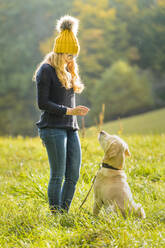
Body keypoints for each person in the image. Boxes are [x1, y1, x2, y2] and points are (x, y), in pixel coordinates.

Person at [33, 15, 89, 214]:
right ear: (58, 52)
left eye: (73, 56)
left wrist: (74, 112)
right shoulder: (45, 71)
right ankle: (55, 215)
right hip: (52, 128)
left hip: (70, 128)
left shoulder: (69, 70)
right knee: (58, 175)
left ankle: (63, 214)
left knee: (73, 174)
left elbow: (67, 99)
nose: (71, 59)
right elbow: (43, 103)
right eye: (68, 55)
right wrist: (69, 111)